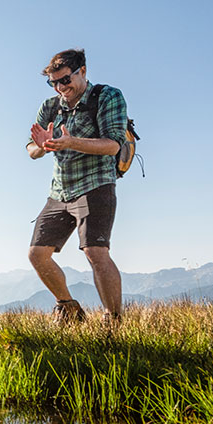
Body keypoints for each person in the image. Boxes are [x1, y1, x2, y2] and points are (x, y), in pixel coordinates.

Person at [26, 48, 128, 324]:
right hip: (60, 190)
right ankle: (69, 307)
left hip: (96, 183)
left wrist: (71, 142)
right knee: (37, 255)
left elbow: (112, 145)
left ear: (83, 71)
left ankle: (113, 320)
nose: (61, 87)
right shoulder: (50, 106)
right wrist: (42, 146)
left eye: (65, 80)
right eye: (54, 82)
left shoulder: (107, 96)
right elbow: (30, 149)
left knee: (96, 252)